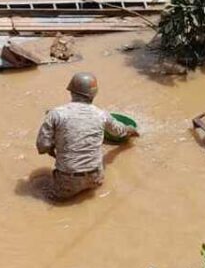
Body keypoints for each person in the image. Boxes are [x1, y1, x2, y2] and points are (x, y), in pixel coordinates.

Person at [35, 72, 139, 200]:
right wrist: (132, 130)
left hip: (68, 180)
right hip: (95, 177)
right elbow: (120, 131)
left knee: (48, 196)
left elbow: (42, 146)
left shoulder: (55, 114)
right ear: (94, 94)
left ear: (71, 91)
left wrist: (53, 146)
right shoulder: (102, 115)